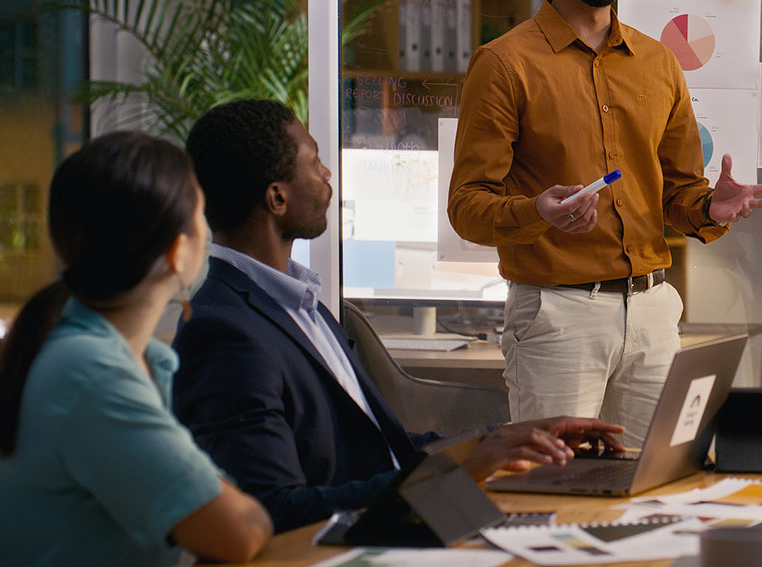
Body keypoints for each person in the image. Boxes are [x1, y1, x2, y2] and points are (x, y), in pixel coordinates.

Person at [173, 99, 623, 533]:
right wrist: (465, 466)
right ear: (277, 198)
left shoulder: (300, 305)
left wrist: (504, 439)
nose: (327, 173)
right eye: (314, 162)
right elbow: (276, 511)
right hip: (352, 556)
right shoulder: (224, 332)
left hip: (412, 524)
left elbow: (388, 451)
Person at [447, 0, 762, 445]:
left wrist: (711, 208)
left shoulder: (658, 63)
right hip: (557, 316)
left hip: (652, 313)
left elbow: (676, 195)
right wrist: (536, 213)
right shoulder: (504, 64)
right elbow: (467, 207)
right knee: (554, 488)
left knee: (654, 480)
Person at [0, 132, 271, 567]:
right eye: (201, 219)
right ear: (177, 253)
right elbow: (237, 530)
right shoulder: (89, 372)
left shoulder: (113, 355)